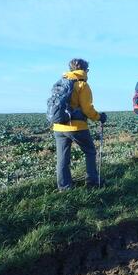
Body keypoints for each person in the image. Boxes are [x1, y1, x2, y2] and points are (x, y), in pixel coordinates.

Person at [53, 58, 107, 190]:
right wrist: (99, 117)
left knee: (62, 159)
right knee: (90, 151)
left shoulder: (60, 83)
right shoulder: (82, 85)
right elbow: (87, 109)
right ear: (85, 70)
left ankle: (65, 187)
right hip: (76, 126)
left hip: (58, 125)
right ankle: (92, 182)